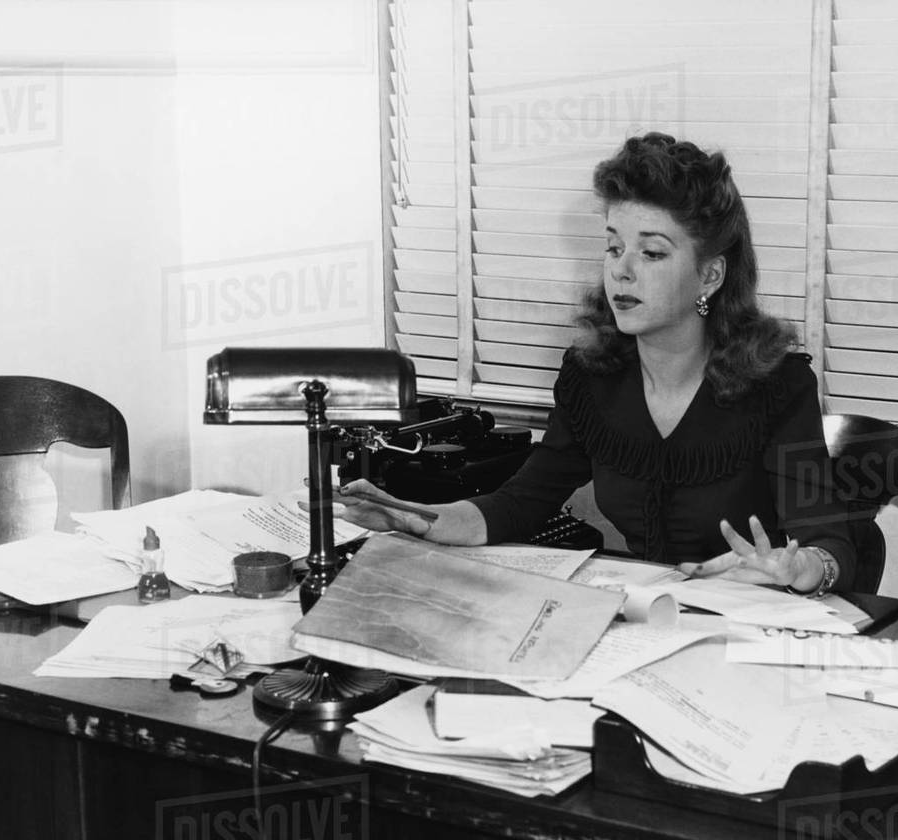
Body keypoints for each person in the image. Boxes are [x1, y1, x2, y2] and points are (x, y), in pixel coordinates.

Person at [335, 132, 856, 596]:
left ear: (710, 275)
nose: (621, 272)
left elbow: (829, 540)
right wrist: (418, 519)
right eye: (612, 248)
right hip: (641, 618)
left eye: (651, 254)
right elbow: (522, 501)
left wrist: (801, 568)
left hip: (743, 627)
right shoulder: (592, 375)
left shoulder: (777, 385)